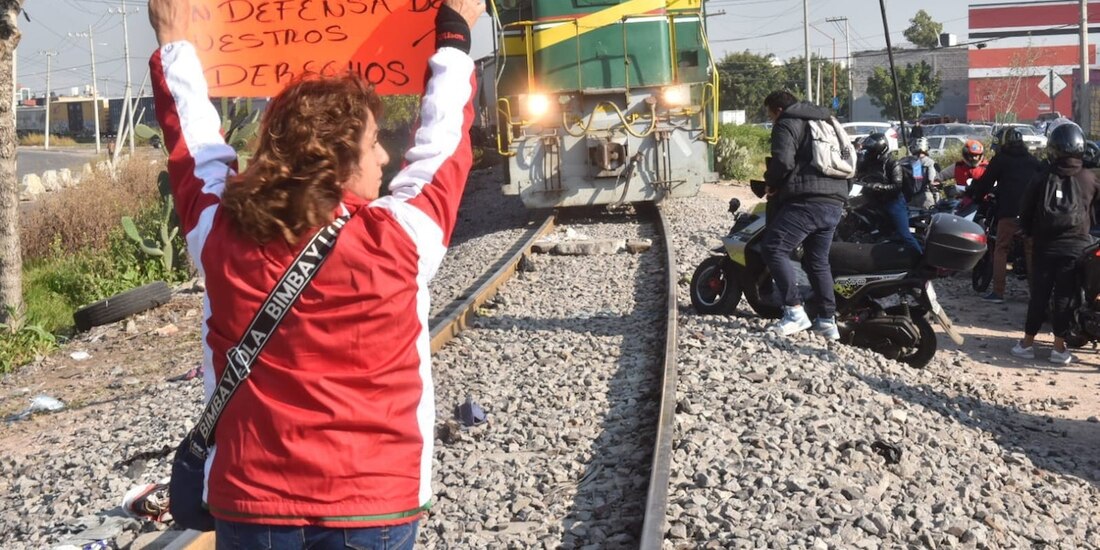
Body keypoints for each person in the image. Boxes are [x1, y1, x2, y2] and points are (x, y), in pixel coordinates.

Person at [147, 0, 484, 547]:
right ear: (338, 160)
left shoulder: (219, 237)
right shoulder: (400, 241)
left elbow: (193, 146)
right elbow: (443, 142)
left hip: (252, 501)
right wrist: (453, 38)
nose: (385, 158)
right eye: (373, 143)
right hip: (373, 501)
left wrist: (172, 39)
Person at [761, 91, 849, 340]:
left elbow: (783, 162)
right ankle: (827, 321)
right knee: (816, 261)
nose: (771, 119)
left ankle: (794, 311)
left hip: (808, 200)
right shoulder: (827, 121)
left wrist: (770, 183)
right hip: (835, 200)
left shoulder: (787, 122)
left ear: (778, 109)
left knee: (773, 248)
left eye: (770, 115)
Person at [1014, 122, 1100, 365]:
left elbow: (1025, 210)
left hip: (1045, 245)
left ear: (1053, 148)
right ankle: (1059, 348)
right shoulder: (1089, 178)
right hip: (1077, 246)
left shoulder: (1042, 177)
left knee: (1039, 295)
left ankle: (1026, 344)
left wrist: (1028, 233)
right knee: (1065, 296)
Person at [965, 127, 1041, 303]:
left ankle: (998, 292)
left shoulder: (1000, 160)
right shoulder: (1033, 161)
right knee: (1031, 251)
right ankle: (1036, 295)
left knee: (1001, 249)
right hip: (1031, 213)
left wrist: (976, 196)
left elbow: (985, 183)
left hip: (1009, 211)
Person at [856, 133, 922, 253]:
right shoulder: (868, 163)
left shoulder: (893, 164)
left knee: (904, 234)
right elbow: (857, 175)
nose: (868, 153)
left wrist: (879, 186)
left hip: (892, 201)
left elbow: (897, 186)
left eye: (870, 150)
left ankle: (922, 258)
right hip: (872, 200)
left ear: (879, 150)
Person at [903, 137, 937, 209]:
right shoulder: (929, 162)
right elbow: (932, 180)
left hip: (907, 197)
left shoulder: (904, 161)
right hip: (924, 196)